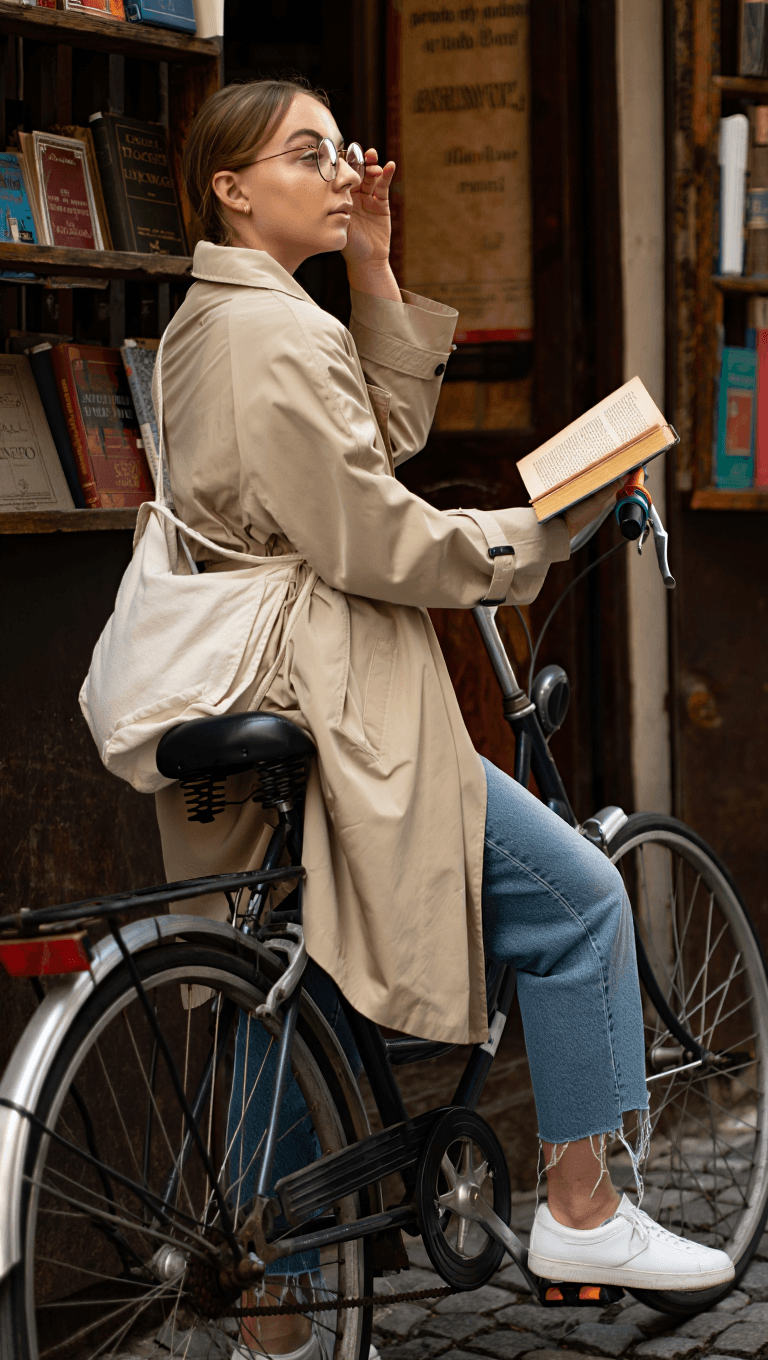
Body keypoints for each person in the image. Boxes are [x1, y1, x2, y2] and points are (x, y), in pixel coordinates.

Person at [154, 78, 734, 1358]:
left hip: (257, 682)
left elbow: (369, 446)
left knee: (301, 969)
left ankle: (267, 1305)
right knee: (583, 896)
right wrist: (526, 538)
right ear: (231, 188)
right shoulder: (268, 336)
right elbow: (374, 527)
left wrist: (371, 263)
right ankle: (582, 1205)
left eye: (333, 150)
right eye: (305, 154)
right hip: (341, 683)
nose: (336, 168)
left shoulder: (220, 323)